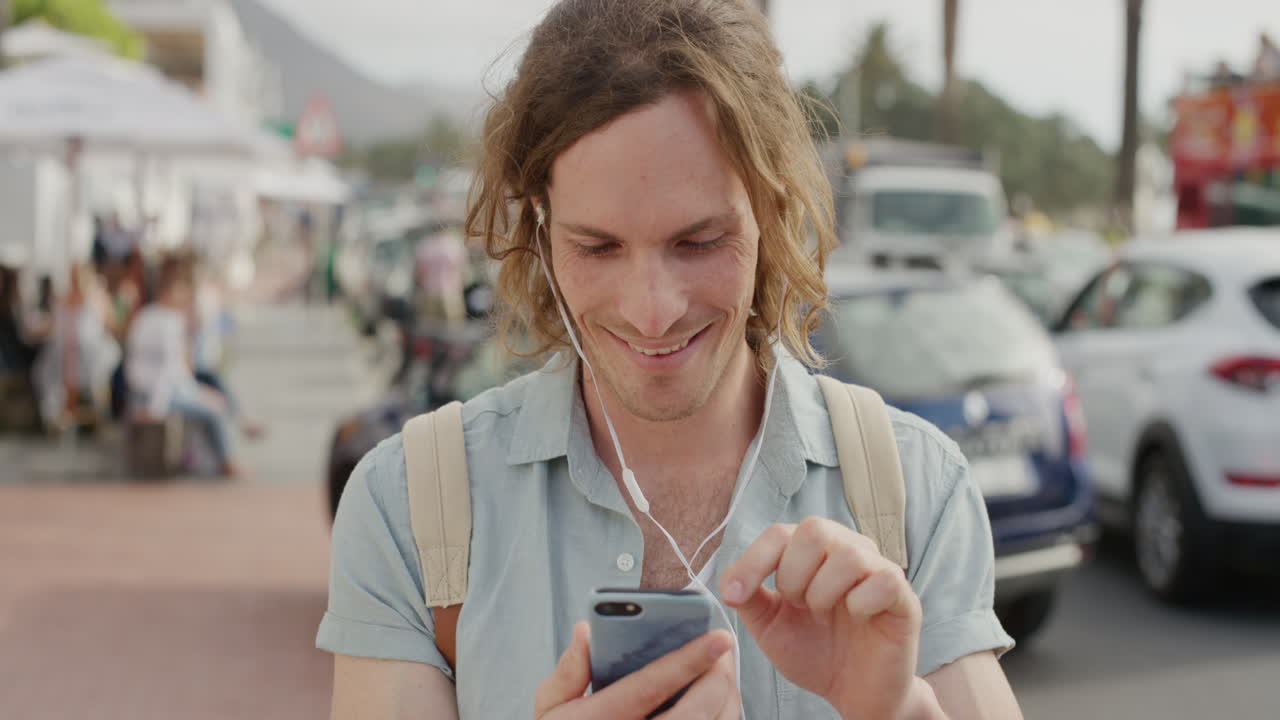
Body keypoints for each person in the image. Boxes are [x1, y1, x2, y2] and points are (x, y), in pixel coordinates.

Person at [319, 1, 1023, 718]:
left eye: (699, 242)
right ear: (539, 223)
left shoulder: (912, 491)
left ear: (771, 208)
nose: (652, 311)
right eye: (598, 247)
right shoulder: (410, 506)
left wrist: (898, 711)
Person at [125, 260, 246, 478]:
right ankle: (226, 461)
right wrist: (157, 406)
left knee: (212, 398)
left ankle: (220, 448)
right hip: (159, 395)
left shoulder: (144, 317)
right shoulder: (170, 322)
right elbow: (169, 372)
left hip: (141, 390)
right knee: (214, 409)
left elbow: (139, 362)